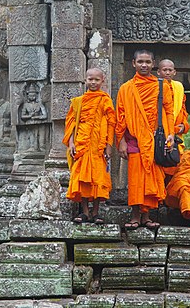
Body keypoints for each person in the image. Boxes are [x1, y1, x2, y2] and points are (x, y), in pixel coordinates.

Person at [116, 50, 176, 230]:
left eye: (148, 62)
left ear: (153, 64)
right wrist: (121, 141)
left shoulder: (161, 86)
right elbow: (121, 116)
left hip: (155, 139)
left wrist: (171, 133)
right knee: (135, 179)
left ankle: (147, 216)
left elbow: (169, 111)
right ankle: (135, 216)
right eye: (140, 61)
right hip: (133, 139)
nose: (144, 65)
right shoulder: (126, 88)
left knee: (151, 177)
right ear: (133, 63)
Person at [63, 68, 116, 224]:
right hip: (82, 145)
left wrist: (109, 145)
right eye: (90, 79)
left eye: (96, 80)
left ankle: (96, 212)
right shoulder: (78, 101)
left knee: (98, 178)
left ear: (102, 81)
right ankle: (85, 212)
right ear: (85, 80)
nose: (93, 82)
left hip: (98, 147)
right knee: (82, 179)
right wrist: (71, 143)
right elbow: (71, 124)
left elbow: (111, 123)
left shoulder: (105, 100)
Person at [157, 59, 190, 184]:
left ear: (174, 72)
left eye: (170, 70)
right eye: (164, 70)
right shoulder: (155, 87)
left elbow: (183, 111)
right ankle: (159, 197)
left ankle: (169, 196)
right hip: (160, 132)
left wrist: (184, 126)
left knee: (174, 163)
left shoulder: (179, 88)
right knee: (159, 164)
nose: (167, 72)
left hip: (175, 134)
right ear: (159, 72)